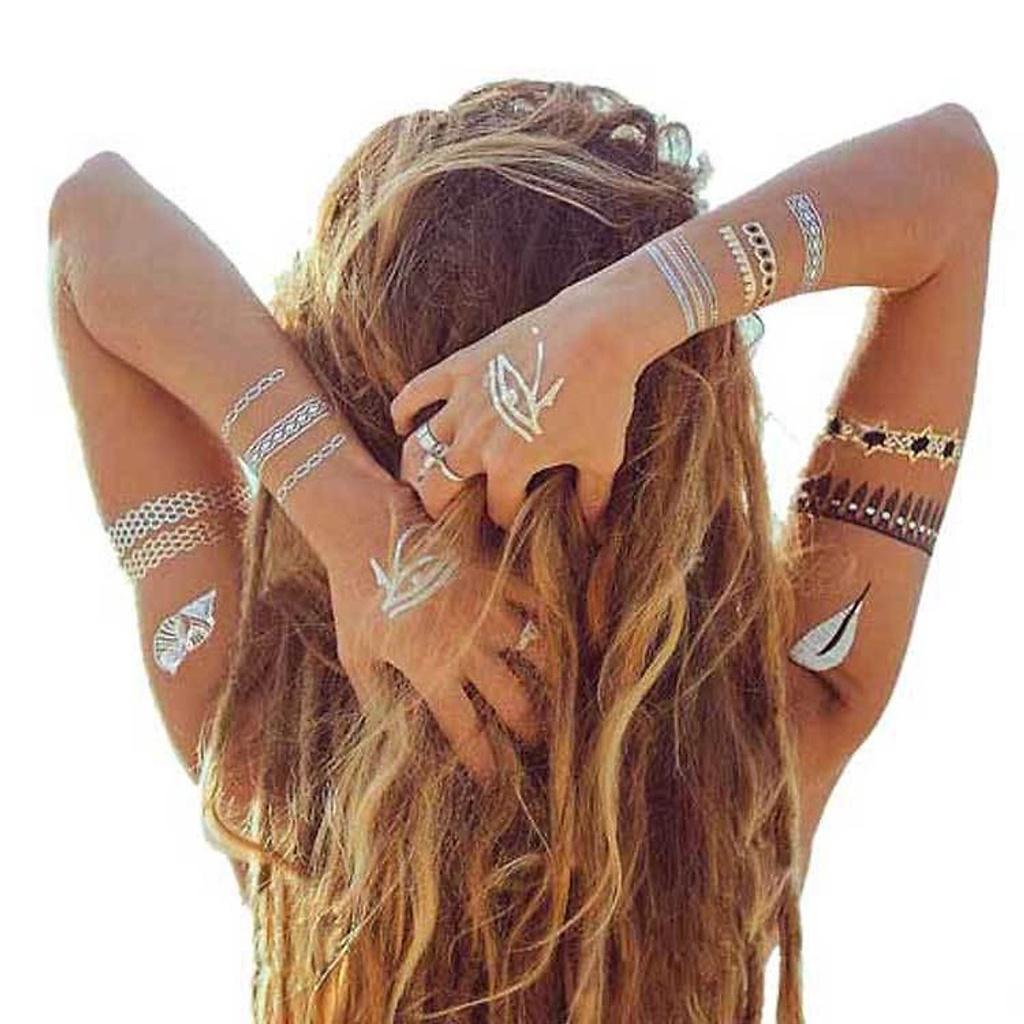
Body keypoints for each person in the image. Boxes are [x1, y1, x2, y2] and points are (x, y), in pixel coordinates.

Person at [47, 80, 996, 1022]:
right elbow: (951, 185)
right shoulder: (762, 756)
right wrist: (639, 312)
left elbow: (92, 228)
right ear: (683, 461)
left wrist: (358, 519)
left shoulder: (276, 765)